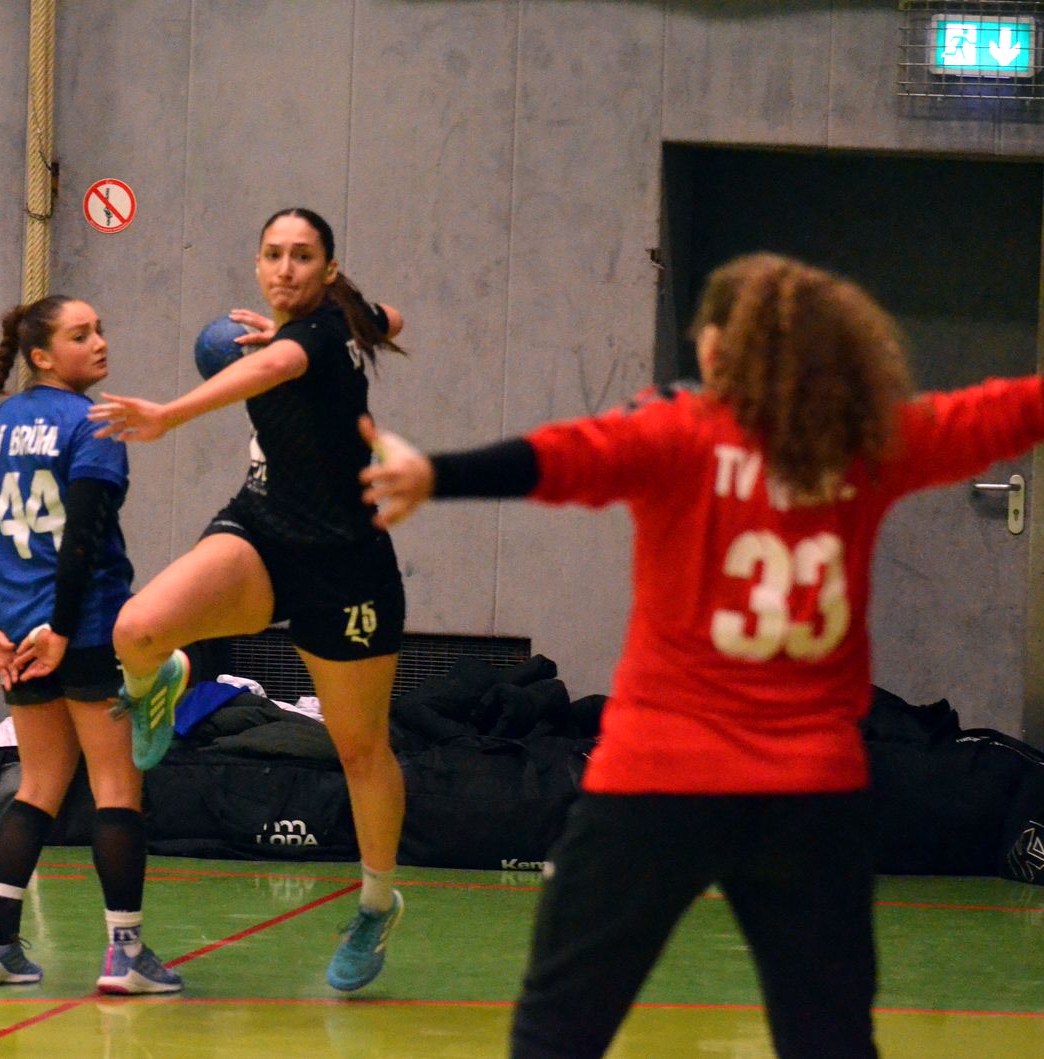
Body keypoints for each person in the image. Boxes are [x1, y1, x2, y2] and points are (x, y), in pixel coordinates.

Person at [359, 252, 1044, 1058]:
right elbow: (999, 413)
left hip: (658, 779)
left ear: (715, 349)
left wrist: (435, 474)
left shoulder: (678, 432)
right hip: (808, 792)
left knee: (558, 1025)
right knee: (828, 1038)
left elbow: (563, 456)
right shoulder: (865, 442)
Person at [88, 207, 409, 992]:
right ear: (259, 264)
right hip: (264, 531)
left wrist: (168, 414)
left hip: (347, 570)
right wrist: (359, 317)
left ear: (328, 268)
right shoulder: (333, 321)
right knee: (137, 629)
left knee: (359, 749)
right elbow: (391, 317)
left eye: (303, 256)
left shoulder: (316, 339)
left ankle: (376, 903)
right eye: (273, 254)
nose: (285, 268)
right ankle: (160, 680)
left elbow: (276, 369)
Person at [0, 295, 182, 995]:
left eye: (101, 329)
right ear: (42, 356)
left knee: (39, 785)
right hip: (84, 629)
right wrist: (62, 627)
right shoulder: (94, 421)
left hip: (19, 634)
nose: (100, 342)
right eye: (82, 335)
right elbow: (81, 534)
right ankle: (125, 953)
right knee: (117, 788)